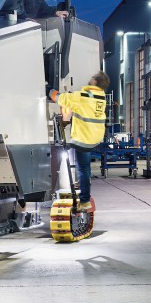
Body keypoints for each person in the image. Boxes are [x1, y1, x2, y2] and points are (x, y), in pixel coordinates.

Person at [49, 72, 109, 212]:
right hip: (95, 136)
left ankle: (84, 201)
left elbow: (59, 98)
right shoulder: (101, 97)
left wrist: (49, 90)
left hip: (84, 138)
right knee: (84, 166)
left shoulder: (83, 96)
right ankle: (82, 190)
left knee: (83, 169)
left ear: (94, 82)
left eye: (92, 78)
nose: (89, 79)